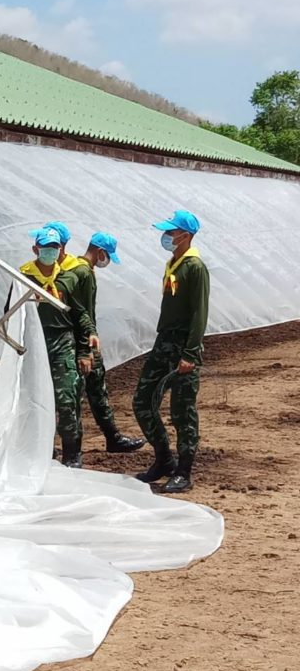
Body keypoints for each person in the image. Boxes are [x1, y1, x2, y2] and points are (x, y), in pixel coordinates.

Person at [132, 210, 210, 493]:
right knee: (143, 400)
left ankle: (184, 472)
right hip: (163, 343)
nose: (166, 236)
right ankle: (164, 459)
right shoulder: (174, 263)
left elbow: (199, 312)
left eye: (171, 232)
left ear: (185, 236)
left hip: (183, 347)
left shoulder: (194, 267)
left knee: (182, 410)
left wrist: (190, 354)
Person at [16, 227, 94, 468]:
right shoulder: (22, 278)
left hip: (62, 344)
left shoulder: (68, 278)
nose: (50, 252)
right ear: (35, 249)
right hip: (34, 346)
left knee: (67, 399)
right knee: (35, 400)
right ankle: (41, 450)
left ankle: (73, 454)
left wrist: (84, 350)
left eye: (54, 248)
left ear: (60, 250)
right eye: (45, 248)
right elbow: (12, 314)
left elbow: (80, 315)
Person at [63, 233, 146, 453]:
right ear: (100, 252)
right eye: (106, 256)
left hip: (84, 340)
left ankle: (112, 437)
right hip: (81, 342)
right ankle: (75, 448)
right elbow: (80, 312)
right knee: (78, 393)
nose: (105, 261)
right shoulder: (82, 272)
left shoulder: (82, 270)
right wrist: (85, 347)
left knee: (96, 389)